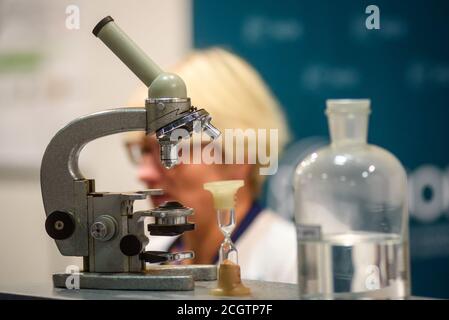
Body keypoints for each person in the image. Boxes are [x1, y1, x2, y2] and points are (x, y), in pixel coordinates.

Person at [126, 48, 297, 283]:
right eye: (144, 151)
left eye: (173, 149)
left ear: (239, 154)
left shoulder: (294, 263)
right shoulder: (146, 255)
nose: (144, 173)